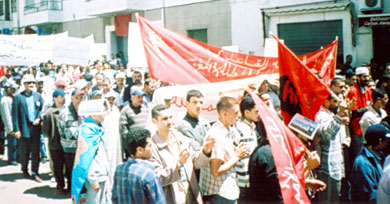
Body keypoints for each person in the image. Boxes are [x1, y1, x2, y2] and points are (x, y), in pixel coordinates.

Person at [149, 104, 215, 204]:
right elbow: (157, 177)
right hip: (173, 197)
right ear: (154, 121)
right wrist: (178, 165)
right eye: (165, 119)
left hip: (191, 192)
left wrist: (205, 152)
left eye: (171, 117)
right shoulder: (152, 146)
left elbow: (195, 161)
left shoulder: (180, 138)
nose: (170, 122)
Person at [199, 96, 249, 204]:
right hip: (218, 194)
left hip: (228, 191)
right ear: (224, 114)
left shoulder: (229, 129)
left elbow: (226, 156)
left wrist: (237, 150)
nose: (239, 116)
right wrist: (237, 156)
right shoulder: (217, 135)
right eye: (235, 113)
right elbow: (215, 172)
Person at [112, 127, 166, 204]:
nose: (152, 148)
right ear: (139, 150)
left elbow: (115, 198)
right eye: (150, 146)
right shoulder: (148, 174)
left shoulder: (119, 169)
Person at [314, 90, 349, 203]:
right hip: (327, 168)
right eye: (335, 101)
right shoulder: (320, 115)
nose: (338, 104)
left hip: (335, 166)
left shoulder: (330, 114)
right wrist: (340, 114)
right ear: (326, 102)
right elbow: (327, 134)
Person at [11, 74, 44, 182]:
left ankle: (35, 172)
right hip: (24, 127)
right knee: (24, 151)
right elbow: (14, 115)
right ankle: (24, 169)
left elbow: (42, 110)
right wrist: (16, 130)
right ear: (24, 84)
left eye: (33, 83)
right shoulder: (17, 97)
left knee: (35, 152)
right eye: (29, 83)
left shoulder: (38, 96)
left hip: (35, 128)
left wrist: (39, 118)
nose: (31, 84)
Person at [351, 124, 390, 202]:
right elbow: (368, 195)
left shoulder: (380, 155)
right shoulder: (363, 164)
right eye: (387, 140)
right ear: (380, 141)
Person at [57, 89, 85, 193]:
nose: (79, 100)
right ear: (72, 98)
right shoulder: (64, 112)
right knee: (70, 169)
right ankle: (71, 189)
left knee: (81, 168)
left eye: (81, 97)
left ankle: (81, 189)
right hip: (69, 147)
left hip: (82, 147)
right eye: (77, 97)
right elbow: (60, 128)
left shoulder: (85, 111)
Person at [235, 96, 260, 202]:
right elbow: (246, 159)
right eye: (256, 111)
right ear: (247, 112)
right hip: (247, 183)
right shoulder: (245, 130)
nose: (259, 114)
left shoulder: (247, 127)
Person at [347, 66, 373, 162]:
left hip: (368, 127)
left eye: (367, 76)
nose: (366, 79)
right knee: (358, 156)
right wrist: (367, 109)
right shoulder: (352, 91)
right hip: (357, 129)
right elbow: (354, 113)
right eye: (364, 77)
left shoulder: (368, 90)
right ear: (357, 78)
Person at [42, 89, 66, 193]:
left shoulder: (67, 110)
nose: (63, 98)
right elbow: (45, 131)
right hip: (55, 144)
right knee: (58, 166)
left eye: (64, 96)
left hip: (67, 144)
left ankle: (69, 185)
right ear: (55, 98)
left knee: (68, 166)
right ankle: (60, 185)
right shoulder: (49, 112)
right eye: (61, 96)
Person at [119, 86, 149, 160]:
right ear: (132, 97)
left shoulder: (145, 109)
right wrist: (131, 143)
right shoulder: (125, 111)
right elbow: (123, 131)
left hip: (144, 145)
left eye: (142, 97)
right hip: (132, 148)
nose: (141, 99)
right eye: (139, 97)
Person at [0, 82, 18, 165]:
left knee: (17, 143)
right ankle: (11, 159)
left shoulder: (14, 97)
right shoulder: (4, 100)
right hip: (10, 124)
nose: (14, 90)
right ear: (8, 90)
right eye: (12, 88)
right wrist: (9, 128)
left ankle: (16, 158)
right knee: (12, 144)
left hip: (16, 123)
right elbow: (6, 115)